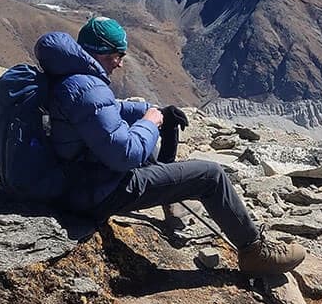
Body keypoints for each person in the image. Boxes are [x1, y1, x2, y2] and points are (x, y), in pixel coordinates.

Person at [34, 16, 307, 275]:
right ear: (99, 53)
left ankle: (171, 198)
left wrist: (152, 111)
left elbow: (102, 112)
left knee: (143, 141)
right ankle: (254, 252)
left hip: (72, 179)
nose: (119, 64)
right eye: (116, 55)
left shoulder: (69, 76)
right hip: (94, 192)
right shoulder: (89, 87)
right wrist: (151, 123)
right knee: (210, 176)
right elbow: (124, 156)